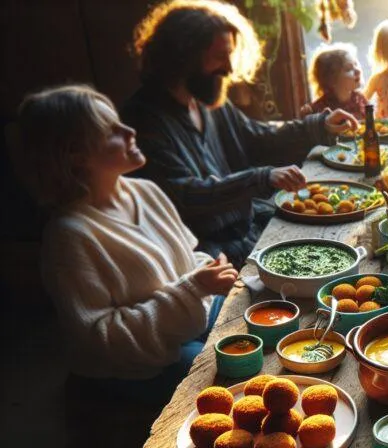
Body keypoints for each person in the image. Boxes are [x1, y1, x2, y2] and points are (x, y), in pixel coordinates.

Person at [18, 85, 238, 402]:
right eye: (111, 131)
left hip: (186, 323)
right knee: (227, 377)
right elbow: (101, 338)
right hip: (132, 366)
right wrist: (194, 289)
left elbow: (188, 260)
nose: (129, 131)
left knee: (256, 315)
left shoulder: (145, 191)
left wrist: (208, 272)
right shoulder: (69, 237)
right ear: (76, 156)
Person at [121, 0, 357, 266]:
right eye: (220, 57)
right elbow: (183, 195)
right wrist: (261, 177)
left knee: (339, 238)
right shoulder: (143, 120)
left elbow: (258, 137)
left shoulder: (206, 101)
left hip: (246, 224)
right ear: (184, 56)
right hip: (208, 252)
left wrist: (319, 125)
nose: (229, 69)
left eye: (230, 56)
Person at [300, 42, 368, 118]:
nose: (357, 70)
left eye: (356, 64)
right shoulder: (320, 109)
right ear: (331, 80)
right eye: (348, 69)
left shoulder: (360, 99)